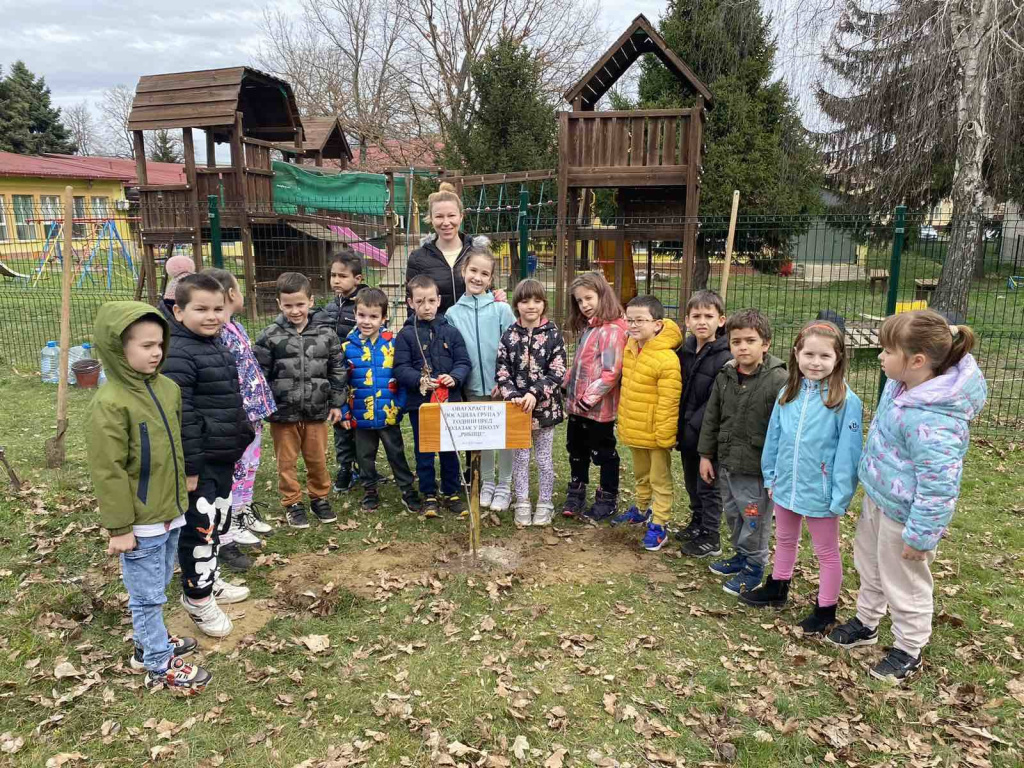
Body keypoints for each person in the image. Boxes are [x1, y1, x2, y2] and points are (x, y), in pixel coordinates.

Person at [827, 310, 986, 683]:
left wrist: (921, 536)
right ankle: (866, 622)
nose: (880, 357)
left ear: (917, 361)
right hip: (879, 498)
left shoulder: (935, 418)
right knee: (870, 565)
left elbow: (940, 483)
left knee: (905, 581)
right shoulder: (900, 386)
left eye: (887, 351)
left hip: (906, 516)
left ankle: (908, 649)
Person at [87, 301, 210, 691]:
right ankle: (158, 662)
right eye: (145, 346)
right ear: (117, 348)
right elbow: (108, 471)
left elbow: (174, 445)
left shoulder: (168, 389)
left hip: (170, 509)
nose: (156, 352)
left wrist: (183, 484)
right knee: (146, 595)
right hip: (140, 520)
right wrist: (120, 527)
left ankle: (149, 643)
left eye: (159, 344)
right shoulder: (110, 403)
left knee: (158, 583)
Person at [738, 320, 864, 636]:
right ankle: (778, 586)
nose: (815, 362)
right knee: (785, 538)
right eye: (809, 354)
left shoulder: (846, 401)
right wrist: (771, 475)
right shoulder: (787, 393)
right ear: (796, 354)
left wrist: (840, 495)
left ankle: (825, 610)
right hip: (785, 484)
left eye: (825, 356)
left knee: (826, 552)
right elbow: (774, 437)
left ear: (838, 358)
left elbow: (849, 453)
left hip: (821, 491)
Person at [162, 274, 254, 638]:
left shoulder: (215, 344)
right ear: (179, 311)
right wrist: (190, 467)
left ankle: (210, 579)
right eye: (201, 309)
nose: (212, 316)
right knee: (199, 531)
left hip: (222, 456)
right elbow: (182, 417)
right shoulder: (178, 354)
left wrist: (241, 435)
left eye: (218, 308)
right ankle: (197, 599)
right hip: (198, 465)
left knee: (216, 525)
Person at [698, 308, 788, 594]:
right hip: (727, 462)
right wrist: (706, 455)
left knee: (754, 519)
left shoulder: (779, 380)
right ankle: (741, 555)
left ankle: (755, 566)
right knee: (733, 513)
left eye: (750, 341)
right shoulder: (725, 374)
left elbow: (785, 428)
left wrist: (778, 468)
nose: (743, 347)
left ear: (766, 343)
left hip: (756, 467)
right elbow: (712, 416)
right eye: (736, 342)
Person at [253, 272, 347, 530]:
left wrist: (337, 402)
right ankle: (292, 502)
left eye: (300, 304)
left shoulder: (326, 334)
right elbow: (259, 375)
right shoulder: (269, 335)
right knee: (286, 461)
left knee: (317, 459)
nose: (295, 311)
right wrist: (262, 406)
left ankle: (319, 497)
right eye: (288, 305)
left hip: (317, 410)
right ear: (279, 304)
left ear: (311, 301)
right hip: (283, 413)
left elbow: (337, 369)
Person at [204, 268, 277, 553]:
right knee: (238, 469)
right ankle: (231, 522)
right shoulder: (218, 333)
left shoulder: (237, 326)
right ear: (232, 293)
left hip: (254, 413)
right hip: (237, 415)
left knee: (251, 465)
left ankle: (243, 512)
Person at [445, 242, 517, 513]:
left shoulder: (501, 310)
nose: (477, 277)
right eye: (473, 270)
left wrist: (504, 381)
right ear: (464, 271)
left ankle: (504, 485)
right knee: (484, 437)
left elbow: (514, 348)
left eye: (484, 273)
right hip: (473, 387)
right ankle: (487, 483)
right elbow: (453, 353)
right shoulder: (452, 314)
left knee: (505, 437)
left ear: (491, 278)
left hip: (502, 388)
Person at [394, 274, 472, 518]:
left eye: (430, 301)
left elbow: (463, 362)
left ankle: (451, 491)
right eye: (420, 301)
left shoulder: (452, 332)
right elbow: (400, 368)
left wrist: (454, 377)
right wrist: (419, 380)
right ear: (410, 303)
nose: (426, 307)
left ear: (439, 300)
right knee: (424, 449)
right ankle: (428, 493)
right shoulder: (405, 335)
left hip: (449, 402)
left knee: (450, 448)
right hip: (420, 404)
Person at [341, 288, 421, 513]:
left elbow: (403, 377)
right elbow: (340, 383)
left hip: (388, 412)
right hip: (360, 415)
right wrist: (344, 410)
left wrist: (400, 405)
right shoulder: (346, 348)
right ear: (355, 314)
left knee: (396, 453)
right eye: (362, 315)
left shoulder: (394, 345)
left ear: (384, 318)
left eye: (373, 316)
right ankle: (369, 490)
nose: (367, 321)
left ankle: (407, 489)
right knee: (364, 456)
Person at [612, 295, 683, 551]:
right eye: (629, 320)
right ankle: (641, 509)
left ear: (657, 324)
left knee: (659, 479)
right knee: (641, 474)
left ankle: (660, 523)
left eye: (640, 320)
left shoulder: (667, 359)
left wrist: (664, 436)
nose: (633, 325)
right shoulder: (631, 347)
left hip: (655, 433)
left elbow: (669, 401)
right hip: (635, 427)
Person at [496, 279, 567, 527]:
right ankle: (522, 502)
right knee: (521, 458)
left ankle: (545, 503)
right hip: (518, 411)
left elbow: (558, 370)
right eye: (525, 301)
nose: (531, 306)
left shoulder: (553, 335)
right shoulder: (509, 335)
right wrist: (512, 395)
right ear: (517, 305)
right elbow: (502, 370)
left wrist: (535, 393)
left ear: (544, 304)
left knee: (544, 460)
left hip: (545, 411)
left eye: (537, 301)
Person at [561, 272, 628, 521]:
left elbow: (611, 373)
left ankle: (608, 497)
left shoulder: (612, 331)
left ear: (602, 295)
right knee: (576, 449)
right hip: (577, 407)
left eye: (588, 298)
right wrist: (565, 385)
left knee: (603, 453)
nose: (584, 305)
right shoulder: (590, 328)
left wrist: (587, 399)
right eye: (579, 301)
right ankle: (576, 491)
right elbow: (581, 364)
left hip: (598, 410)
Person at [675, 290, 732, 557]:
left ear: (721, 320)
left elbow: (714, 403)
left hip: (707, 435)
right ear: (687, 320)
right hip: (686, 433)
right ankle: (697, 522)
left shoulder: (725, 357)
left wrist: (693, 426)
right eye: (696, 316)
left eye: (708, 316)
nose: (702, 322)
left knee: (708, 486)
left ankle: (711, 535)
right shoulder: (684, 351)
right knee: (691, 482)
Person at [315, 246, 368, 493]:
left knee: (363, 422)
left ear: (357, 279)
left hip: (361, 373)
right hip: (337, 377)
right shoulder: (330, 306)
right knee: (340, 421)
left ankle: (365, 466)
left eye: (342, 276)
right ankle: (345, 467)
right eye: (333, 275)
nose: (336, 280)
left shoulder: (365, 303)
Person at [405, 182, 474, 315]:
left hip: (472, 327)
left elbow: (489, 293)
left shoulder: (477, 253)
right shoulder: (418, 259)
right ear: (431, 219)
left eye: (451, 215)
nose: (446, 223)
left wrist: (497, 295)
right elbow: (412, 306)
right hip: (435, 327)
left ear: (461, 217)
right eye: (439, 216)